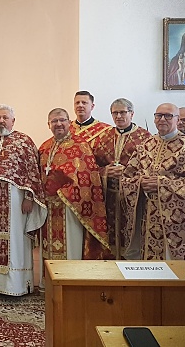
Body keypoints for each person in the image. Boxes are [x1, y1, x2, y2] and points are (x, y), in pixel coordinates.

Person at [120, 103, 185, 260]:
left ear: (177, 120)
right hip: (149, 215)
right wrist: (140, 183)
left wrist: (161, 184)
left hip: (177, 223)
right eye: (158, 115)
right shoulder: (145, 146)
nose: (162, 119)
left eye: (168, 116)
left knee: (173, 269)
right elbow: (127, 177)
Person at [0, 105, 47, 296]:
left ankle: (16, 286)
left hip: (16, 198)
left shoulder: (24, 141)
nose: (1, 121)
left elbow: (32, 171)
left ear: (13, 120)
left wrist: (29, 197)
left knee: (15, 240)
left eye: (5, 117)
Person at [39, 108, 111, 261]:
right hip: (48, 208)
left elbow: (88, 178)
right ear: (48, 125)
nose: (58, 124)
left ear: (69, 122)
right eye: (54, 121)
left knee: (70, 247)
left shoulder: (80, 145)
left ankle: (69, 280)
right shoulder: (44, 147)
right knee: (47, 246)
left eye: (62, 120)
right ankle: (49, 283)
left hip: (70, 207)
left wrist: (61, 189)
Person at [92, 98, 151, 258]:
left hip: (133, 198)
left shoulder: (145, 138)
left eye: (122, 112)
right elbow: (90, 166)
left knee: (131, 233)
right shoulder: (102, 137)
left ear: (131, 113)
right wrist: (105, 172)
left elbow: (151, 168)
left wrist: (127, 173)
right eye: (115, 113)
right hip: (108, 196)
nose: (119, 116)